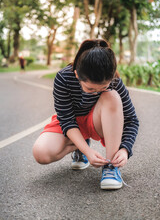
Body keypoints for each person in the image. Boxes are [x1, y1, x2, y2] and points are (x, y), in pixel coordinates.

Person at [33, 39, 139, 190]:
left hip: (98, 120)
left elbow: (131, 120)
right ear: (77, 75)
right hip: (72, 123)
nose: (96, 92)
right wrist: (86, 150)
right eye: (90, 89)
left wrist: (125, 149)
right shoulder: (63, 78)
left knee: (112, 96)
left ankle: (110, 166)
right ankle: (80, 146)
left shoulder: (114, 81)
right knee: (40, 153)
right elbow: (66, 120)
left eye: (103, 87)